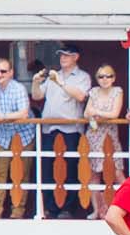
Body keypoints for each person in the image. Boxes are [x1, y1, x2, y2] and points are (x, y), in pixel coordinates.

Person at [34, 46, 90, 215]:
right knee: (48, 170)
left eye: (67, 55)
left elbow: (81, 96)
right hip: (49, 129)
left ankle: (67, 208)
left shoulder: (82, 77)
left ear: (76, 57)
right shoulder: (53, 75)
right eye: (61, 55)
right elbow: (37, 96)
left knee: (70, 169)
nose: (63, 58)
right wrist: (36, 81)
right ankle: (50, 208)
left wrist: (61, 82)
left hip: (71, 130)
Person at [0, 59, 35, 219]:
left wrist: (1, 117)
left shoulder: (18, 88)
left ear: (11, 72)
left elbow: (23, 113)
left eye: (3, 71)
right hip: (3, 136)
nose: (0, 74)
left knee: (20, 174)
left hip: (23, 136)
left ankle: (17, 210)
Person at [83, 63, 126, 214]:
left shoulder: (117, 91)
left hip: (109, 137)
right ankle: (96, 210)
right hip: (94, 136)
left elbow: (115, 113)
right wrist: (96, 113)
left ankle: (129, 207)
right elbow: (86, 113)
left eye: (108, 76)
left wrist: (96, 111)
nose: (105, 79)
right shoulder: (93, 92)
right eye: (101, 76)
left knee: (116, 172)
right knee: (94, 174)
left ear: (114, 78)